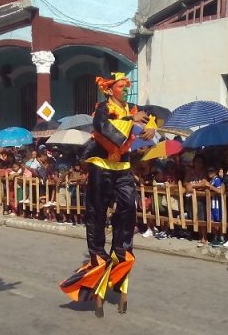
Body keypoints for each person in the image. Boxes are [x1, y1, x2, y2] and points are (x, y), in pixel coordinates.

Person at [59, 72, 157, 317]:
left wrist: (151, 128)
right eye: (121, 86)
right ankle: (98, 259)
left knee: (128, 210)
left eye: (126, 85)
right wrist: (131, 119)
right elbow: (102, 127)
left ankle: (121, 253)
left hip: (123, 168)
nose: (125, 89)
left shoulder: (133, 108)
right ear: (110, 89)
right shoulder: (102, 108)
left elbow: (153, 117)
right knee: (96, 216)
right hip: (101, 167)